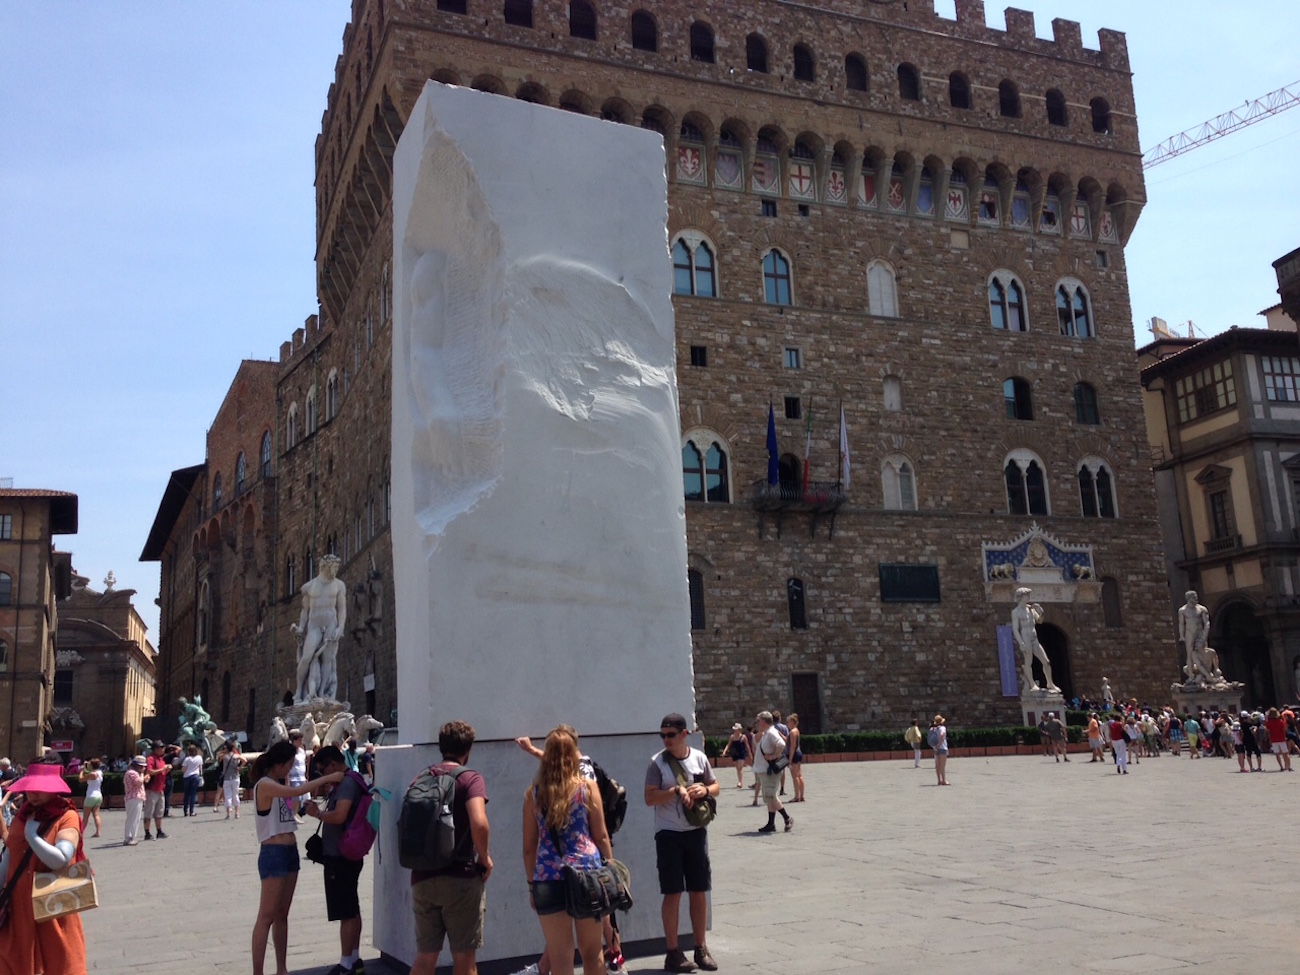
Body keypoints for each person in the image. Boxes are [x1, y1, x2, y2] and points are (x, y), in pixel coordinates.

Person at [523, 727, 614, 975]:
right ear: (574, 755)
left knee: (561, 958)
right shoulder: (587, 788)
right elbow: (601, 835)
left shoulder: (534, 794)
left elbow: (529, 848)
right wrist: (612, 869)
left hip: (548, 876)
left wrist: (532, 884)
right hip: (586, 874)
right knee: (592, 953)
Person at [250, 740, 345, 975]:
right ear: (279, 763)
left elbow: (292, 802)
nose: (291, 769)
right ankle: (258, 972)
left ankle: (282, 968)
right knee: (266, 916)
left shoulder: (277, 783)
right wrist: (326, 779)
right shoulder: (264, 785)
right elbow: (296, 791)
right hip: (274, 853)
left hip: (290, 852)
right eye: (290, 764)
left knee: (282, 914)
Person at [410, 720, 492, 975]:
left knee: (425, 958)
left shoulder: (421, 778)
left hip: (422, 877)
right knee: (465, 960)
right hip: (460, 876)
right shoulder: (470, 779)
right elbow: (479, 822)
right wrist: (485, 858)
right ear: (467, 750)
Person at [644, 712, 719, 973]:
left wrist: (705, 790)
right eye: (663, 735)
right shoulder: (657, 763)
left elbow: (715, 785)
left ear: (684, 734)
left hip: (695, 832)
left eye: (671, 735)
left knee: (699, 890)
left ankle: (701, 948)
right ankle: (673, 952)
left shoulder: (698, 758)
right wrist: (674, 791)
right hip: (668, 834)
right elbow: (649, 798)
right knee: (673, 891)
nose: (666, 739)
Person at [0, 759, 87, 975]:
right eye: (31, 787)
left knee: (59, 962)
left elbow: (60, 859)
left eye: (41, 788)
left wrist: (32, 836)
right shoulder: (22, 816)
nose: (33, 793)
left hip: (52, 907)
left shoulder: (68, 816)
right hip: (19, 907)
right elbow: (9, 857)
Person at [303, 745, 369, 975]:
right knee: (352, 907)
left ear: (333, 764)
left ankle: (346, 964)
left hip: (340, 855)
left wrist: (317, 814)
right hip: (349, 852)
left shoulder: (347, 784)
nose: (323, 775)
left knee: (345, 911)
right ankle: (355, 958)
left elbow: (340, 815)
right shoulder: (353, 780)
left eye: (322, 770)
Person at [752, 711, 793, 834]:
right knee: (769, 797)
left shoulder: (771, 732)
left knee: (771, 795)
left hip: (770, 770)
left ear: (764, 721)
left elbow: (781, 744)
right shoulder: (767, 733)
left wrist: (774, 756)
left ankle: (787, 818)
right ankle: (771, 824)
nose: (757, 723)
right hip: (765, 770)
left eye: (758, 721)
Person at [144, 739, 170, 839]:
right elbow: (149, 771)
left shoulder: (161, 759)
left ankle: (159, 831)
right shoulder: (151, 759)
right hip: (152, 789)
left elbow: (161, 773)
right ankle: (147, 832)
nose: (163, 749)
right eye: (161, 747)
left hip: (160, 788)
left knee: (159, 811)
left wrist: (166, 770)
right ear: (156, 749)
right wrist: (162, 769)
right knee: (149, 811)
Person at [124, 754, 147, 845]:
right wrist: (142, 774)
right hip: (134, 797)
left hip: (134, 797)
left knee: (135, 818)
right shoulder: (132, 773)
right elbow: (139, 783)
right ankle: (129, 837)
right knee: (133, 818)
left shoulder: (132, 773)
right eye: (141, 766)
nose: (143, 768)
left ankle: (131, 836)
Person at [78, 757, 104, 837]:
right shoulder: (99, 772)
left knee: (85, 816)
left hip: (91, 796)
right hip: (99, 795)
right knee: (96, 814)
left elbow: (80, 779)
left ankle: (80, 833)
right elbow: (90, 772)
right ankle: (98, 832)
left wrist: (82, 770)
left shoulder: (92, 774)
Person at [221, 742, 247, 818]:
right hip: (235, 777)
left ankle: (228, 813)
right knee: (235, 795)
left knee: (228, 795)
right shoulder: (236, 756)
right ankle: (237, 813)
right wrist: (239, 767)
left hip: (226, 778)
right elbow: (245, 760)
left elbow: (219, 757)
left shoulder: (224, 757)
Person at [180, 744, 204, 817]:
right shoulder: (199, 758)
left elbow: (183, 769)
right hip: (195, 776)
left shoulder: (187, 759)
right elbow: (200, 768)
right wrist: (201, 775)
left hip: (187, 776)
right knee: (193, 794)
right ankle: (192, 811)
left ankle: (185, 811)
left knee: (186, 794)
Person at [787, 713, 805, 802]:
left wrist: (790, 760)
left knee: (795, 777)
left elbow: (792, 746)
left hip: (794, 754)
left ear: (793, 722)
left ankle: (796, 796)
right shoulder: (797, 730)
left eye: (789, 722)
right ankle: (801, 795)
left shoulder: (792, 732)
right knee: (799, 775)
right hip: (799, 752)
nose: (787, 724)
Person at [725, 724, 750, 788]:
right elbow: (728, 745)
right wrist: (725, 751)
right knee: (737, 768)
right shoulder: (732, 737)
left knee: (740, 767)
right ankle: (739, 780)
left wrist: (750, 755)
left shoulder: (743, 737)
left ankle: (740, 782)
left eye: (736, 730)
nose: (735, 731)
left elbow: (747, 746)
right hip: (735, 754)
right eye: (734, 730)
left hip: (742, 753)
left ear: (739, 730)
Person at [931, 715, 950, 786]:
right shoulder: (942, 728)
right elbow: (942, 734)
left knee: (937, 765)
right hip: (942, 747)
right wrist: (940, 743)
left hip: (935, 748)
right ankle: (944, 780)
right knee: (942, 765)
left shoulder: (933, 729)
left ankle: (939, 780)